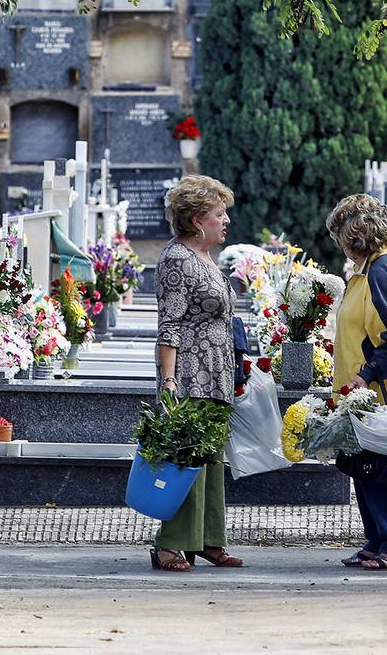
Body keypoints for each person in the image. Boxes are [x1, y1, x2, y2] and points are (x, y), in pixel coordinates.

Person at [326, 194, 387, 571]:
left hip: (379, 389)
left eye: (339, 235)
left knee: (380, 469)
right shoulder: (372, 267)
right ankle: (377, 540)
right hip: (365, 388)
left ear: (354, 235)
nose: (338, 243)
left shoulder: (381, 268)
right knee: (363, 465)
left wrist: (365, 375)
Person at [150, 174, 244, 572]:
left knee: (210, 459)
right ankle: (170, 544)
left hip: (216, 371)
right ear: (196, 220)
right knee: (185, 461)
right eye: (219, 214)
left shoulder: (206, 258)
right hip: (188, 372)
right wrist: (168, 380)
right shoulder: (177, 259)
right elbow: (169, 323)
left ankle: (207, 539)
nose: (226, 221)